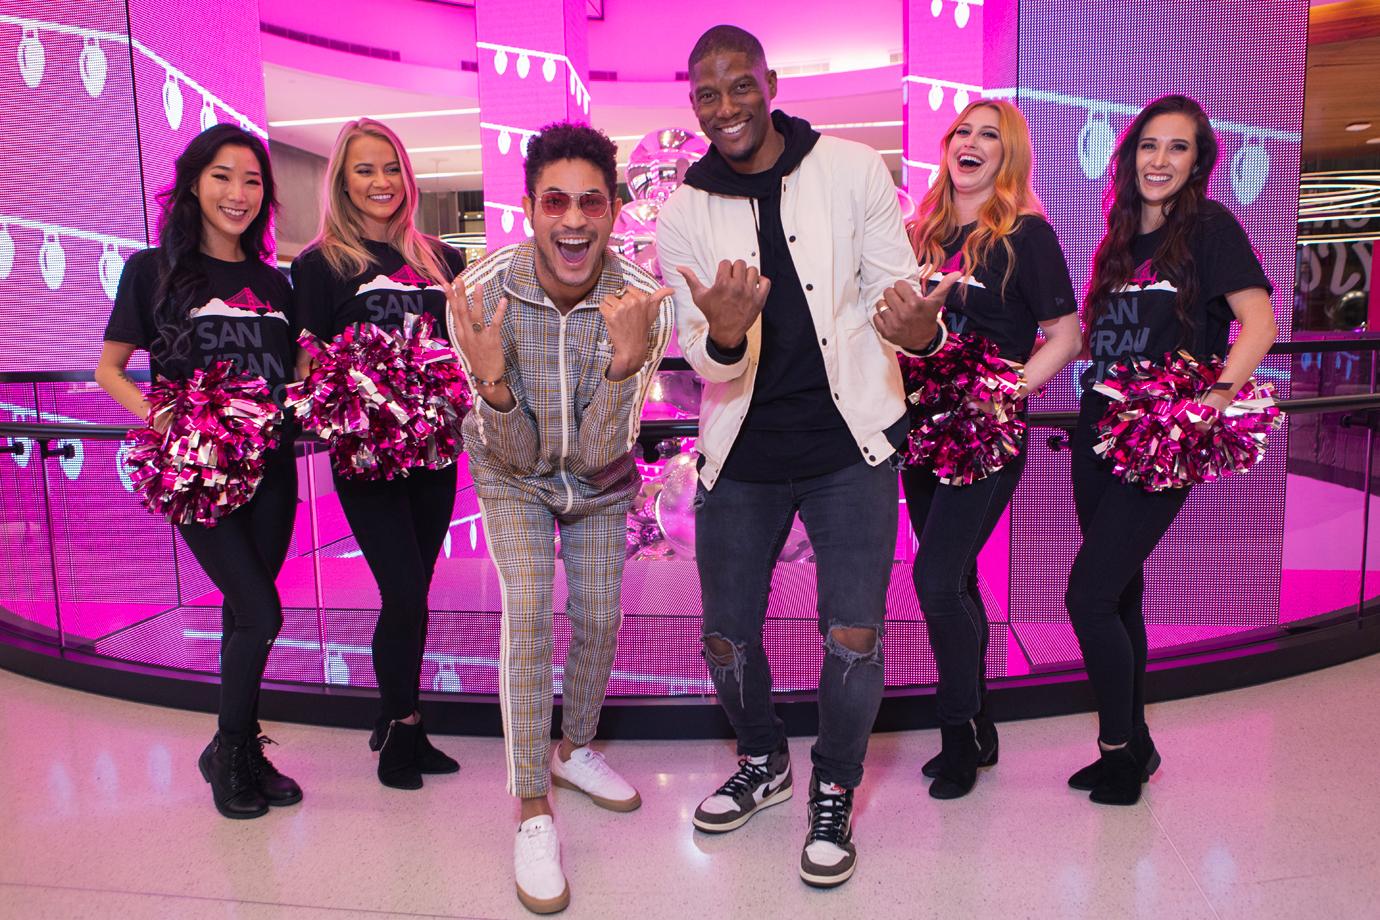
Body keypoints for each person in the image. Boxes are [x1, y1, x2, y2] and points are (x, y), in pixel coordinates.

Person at [656, 25, 948, 889]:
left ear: (771, 83)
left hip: (847, 444)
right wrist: (723, 330)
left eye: (739, 86)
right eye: (707, 94)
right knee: (723, 637)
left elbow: (901, 302)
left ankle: (834, 783)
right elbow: (697, 358)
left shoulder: (853, 169)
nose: (726, 107)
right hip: (742, 450)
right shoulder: (683, 210)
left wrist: (921, 333)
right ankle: (762, 760)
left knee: (853, 633)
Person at [446, 122, 673, 914]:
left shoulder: (643, 308)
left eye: (590, 203)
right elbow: (514, 446)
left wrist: (620, 363)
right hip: (511, 474)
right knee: (530, 614)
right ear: (529, 208)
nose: (572, 221)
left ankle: (575, 747)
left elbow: (607, 445)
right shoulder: (481, 297)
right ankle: (531, 805)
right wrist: (496, 384)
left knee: (604, 616)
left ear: (613, 211)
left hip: (601, 480)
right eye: (555, 202)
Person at [1068, 94, 1277, 805]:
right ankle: (1137, 744)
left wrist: (1212, 400)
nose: (1159, 160)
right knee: (1119, 594)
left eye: (1176, 148)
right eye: (1148, 146)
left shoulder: (1212, 228)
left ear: (1198, 161)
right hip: (1096, 428)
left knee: (1088, 596)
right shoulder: (1121, 235)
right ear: (1129, 156)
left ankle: (1118, 751)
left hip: (1160, 437)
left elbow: (1259, 323)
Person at [95, 124, 302, 820]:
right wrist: (168, 421)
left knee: (243, 616)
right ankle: (228, 751)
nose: (238, 193)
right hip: (200, 475)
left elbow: (291, 365)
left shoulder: (275, 282)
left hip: (273, 473)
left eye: (251, 181)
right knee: (262, 611)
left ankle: (238, 750)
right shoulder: (151, 271)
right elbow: (110, 370)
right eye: (222, 176)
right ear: (191, 182)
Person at [902, 100, 1082, 799]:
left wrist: (1007, 391)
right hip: (920, 428)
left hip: (985, 433)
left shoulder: (1026, 236)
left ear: (1006, 156)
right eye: (961, 133)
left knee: (935, 580)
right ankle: (980, 724)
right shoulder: (922, 232)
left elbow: (1065, 335)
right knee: (960, 580)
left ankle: (956, 740)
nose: (970, 143)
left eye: (988, 136)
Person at [290, 118, 465, 789]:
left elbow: (461, 349)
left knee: (416, 592)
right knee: (400, 591)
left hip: (436, 450)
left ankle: (402, 718)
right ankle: (401, 732)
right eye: (365, 170)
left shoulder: (440, 258)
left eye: (391, 167)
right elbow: (306, 366)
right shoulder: (318, 264)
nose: (381, 182)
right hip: (365, 456)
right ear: (341, 180)